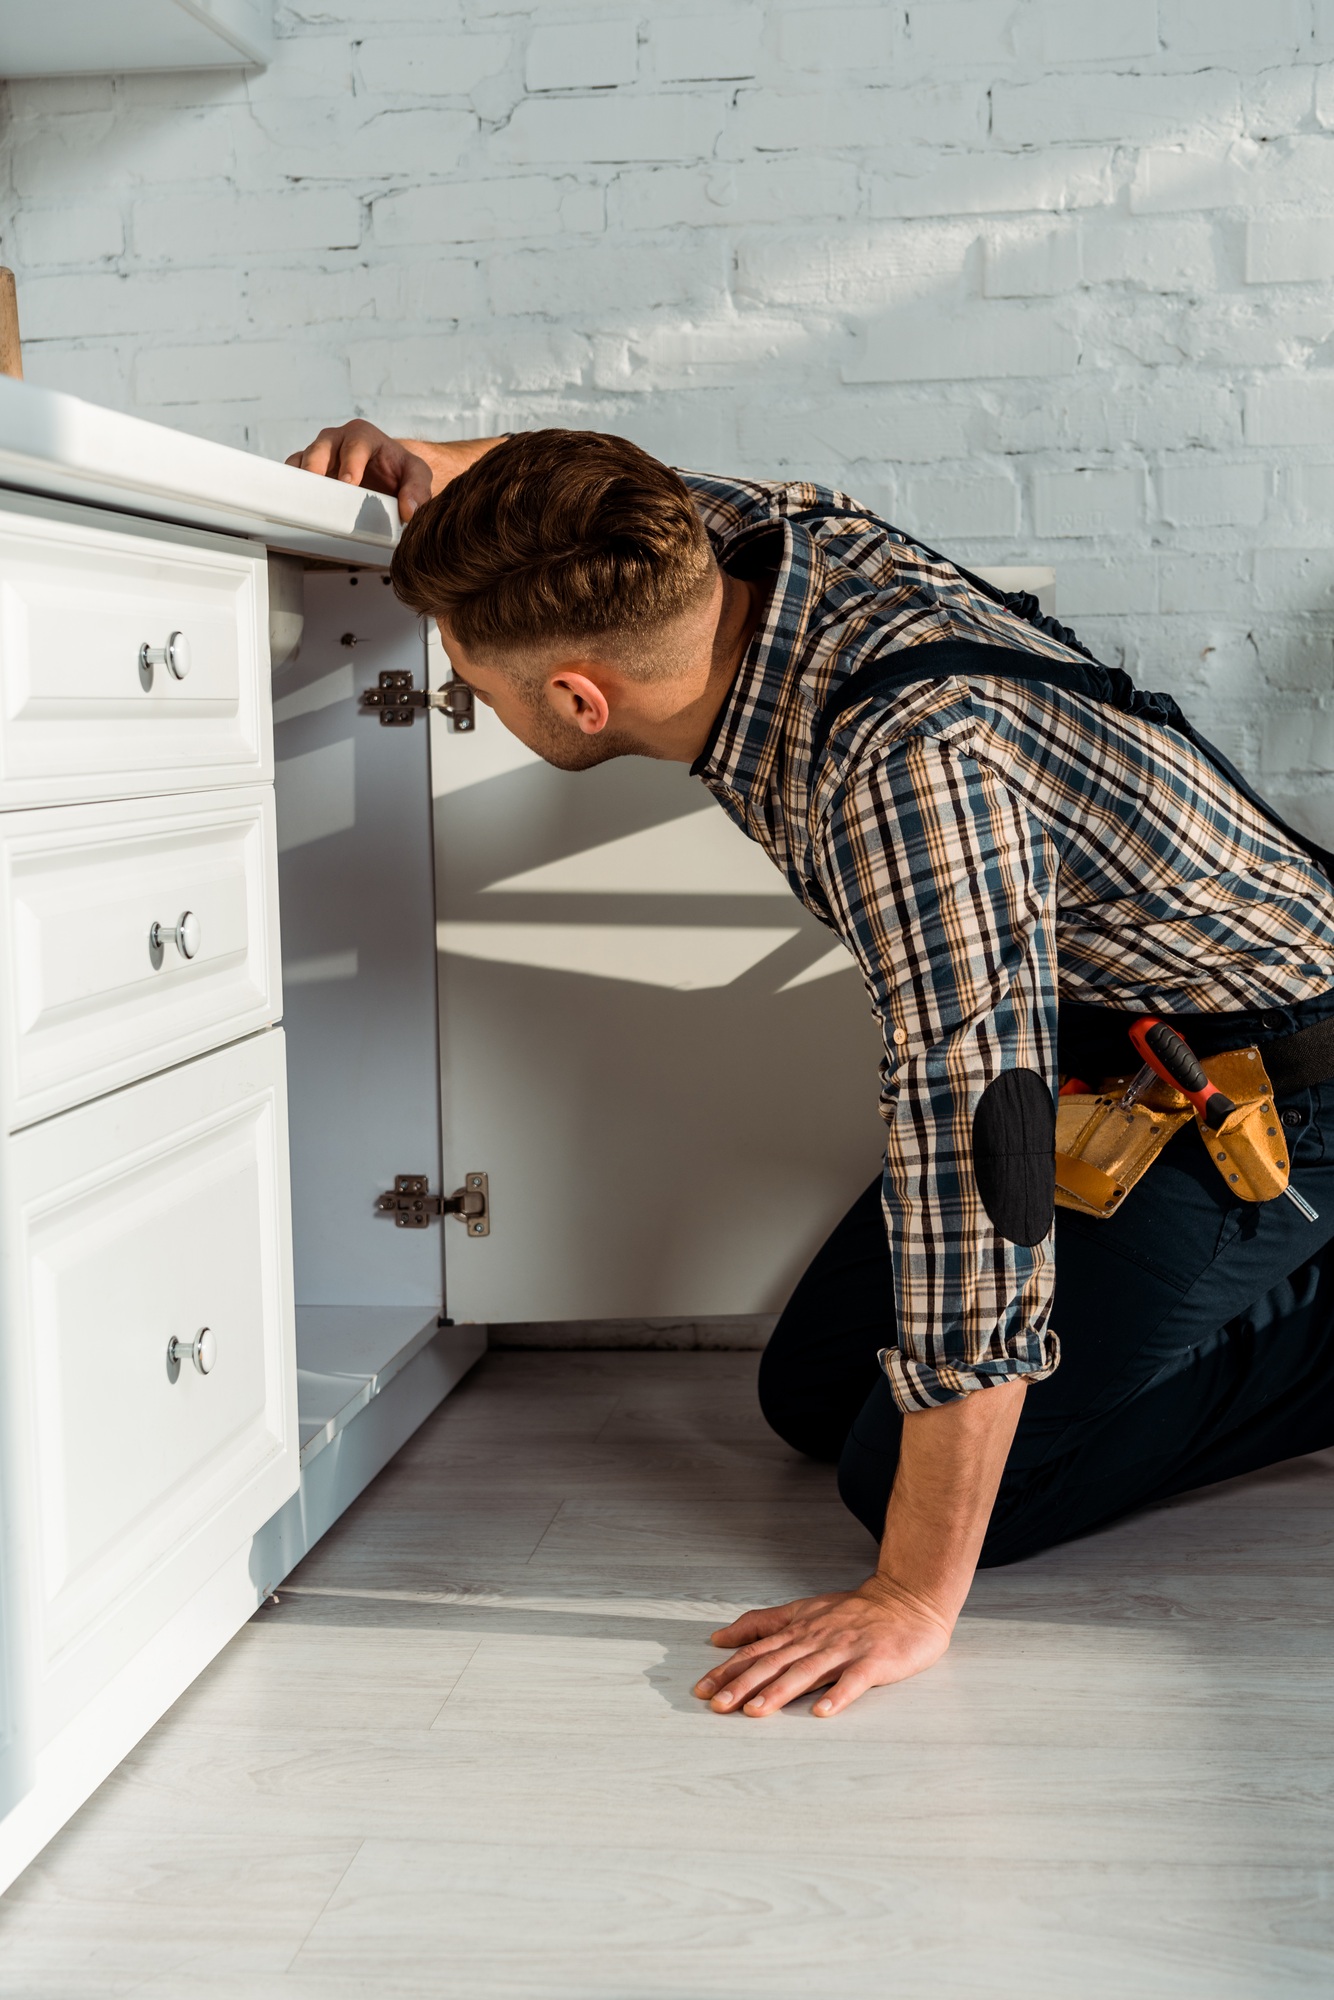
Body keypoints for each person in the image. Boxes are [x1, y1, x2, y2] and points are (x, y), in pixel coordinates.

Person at [288, 421, 1334, 1720]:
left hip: (1260, 1085)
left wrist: (911, 1596)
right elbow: (626, 491)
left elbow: (979, 1159)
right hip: (1109, 1037)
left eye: (473, 678)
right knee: (811, 1398)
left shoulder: (910, 777)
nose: (467, 694)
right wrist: (430, 460)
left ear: (576, 696)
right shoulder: (768, 545)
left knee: (927, 1492)